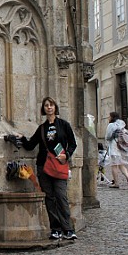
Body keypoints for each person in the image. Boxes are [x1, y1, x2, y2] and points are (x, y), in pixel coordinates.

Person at [12, 96, 78, 241]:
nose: (49, 107)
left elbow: (73, 143)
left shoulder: (63, 125)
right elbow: (30, 145)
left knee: (61, 196)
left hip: (59, 165)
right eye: (46, 105)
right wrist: (22, 138)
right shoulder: (42, 128)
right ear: (43, 109)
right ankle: (55, 229)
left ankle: (68, 228)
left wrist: (66, 155)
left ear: (55, 108)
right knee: (49, 197)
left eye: (51, 105)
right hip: (44, 166)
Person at [103, 112, 128, 188]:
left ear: (112, 117)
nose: (108, 118)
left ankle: (116, 183)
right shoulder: (120, 125)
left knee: (114, 166)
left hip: (114, 148)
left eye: (109, 116)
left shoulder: (111, 125)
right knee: (121, 165)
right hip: (120, 148)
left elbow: (108, 137)